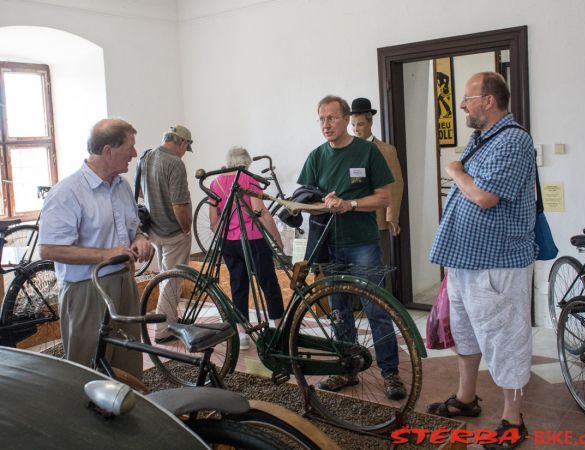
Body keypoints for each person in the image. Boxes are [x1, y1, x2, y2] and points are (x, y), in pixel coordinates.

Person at [428, 72, 536, 450]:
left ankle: (512, 419)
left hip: (498, 264)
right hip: (466, 262)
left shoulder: (514, 141)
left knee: (507, 342)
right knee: (467, 336)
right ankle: (466, 398)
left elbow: (485, 196)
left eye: (468, 98)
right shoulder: (482, 140)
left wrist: (456, 171)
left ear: (489, 101)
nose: (462, 105)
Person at [297, 95, 406, 400]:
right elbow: (305, 201)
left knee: (376, 309)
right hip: (329, 246)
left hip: (363, 244)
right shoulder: (316, 157)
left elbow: (383, 197)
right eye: (321, 119)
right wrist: (320, 204)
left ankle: (391, 374)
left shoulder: (368, 152)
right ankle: (347, 369)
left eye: (331, 118)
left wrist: (350, 204)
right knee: (339, 312)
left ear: (347, 119)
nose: (326, 125)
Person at [39, 118, 152, 379]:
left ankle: (126, 416)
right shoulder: (67, 192)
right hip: (87, 291)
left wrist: (140, 238)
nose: (134, 154)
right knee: (88, 371)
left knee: (128, 365)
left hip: (124, 283)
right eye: (129, 147)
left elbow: (132, 227)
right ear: (108, 151)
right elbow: (49, 250)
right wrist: (106, 255)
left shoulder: (122, 186)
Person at [208, 146, 285, 350]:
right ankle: (279, 330)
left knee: (238, 285)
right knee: (269, 284)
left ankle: (242, 334)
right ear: (246, 163)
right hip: (254, 240)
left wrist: (225, 236)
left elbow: (213, 220)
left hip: (229, 243)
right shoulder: (249, 179)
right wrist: (277, 239)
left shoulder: (215, 183)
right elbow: (262, 213)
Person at [139, 125, 193, 343]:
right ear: (182, 142)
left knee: (164, 276)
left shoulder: (146, 157)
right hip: (173, 232)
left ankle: (170, 319)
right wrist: (186, 227)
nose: (184, 153)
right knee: (173, 281)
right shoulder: (175, 163)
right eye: (186, 148)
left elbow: (141, 190)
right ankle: (163, 331)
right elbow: (179, 204)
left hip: (153, 229)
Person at [350, 97, 404, 293]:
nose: (356, 129)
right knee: (354, 265)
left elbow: (395, 184)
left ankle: (383, 305)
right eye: (353, 125)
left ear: (370, 122)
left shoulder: (386, 151)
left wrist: (393, 217)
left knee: (378, 263)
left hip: (377, 217)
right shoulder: (348, 150)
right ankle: (357, 307)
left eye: (361, 124)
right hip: (353, 217)